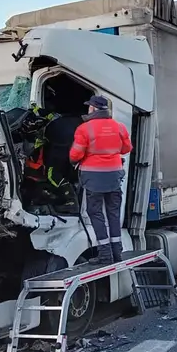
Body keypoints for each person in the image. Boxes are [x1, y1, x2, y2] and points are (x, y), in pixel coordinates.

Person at [69, 96, 132, 264]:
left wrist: (75, 162)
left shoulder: (84, 129)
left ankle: (105, 253)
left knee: (95, 213)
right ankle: (117, 251)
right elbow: (127, 148)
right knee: (113, 213)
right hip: (114, 176)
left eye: (89, 106)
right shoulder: (119, 127)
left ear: (94, 109)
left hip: (94, 178)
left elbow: (75, 154)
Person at [22, 106, 83, 213]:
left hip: (60, 149)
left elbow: (38, 144)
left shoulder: (51, 125)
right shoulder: (71, 120)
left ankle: (71, 201)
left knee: (53, 175)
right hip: (73, 149)